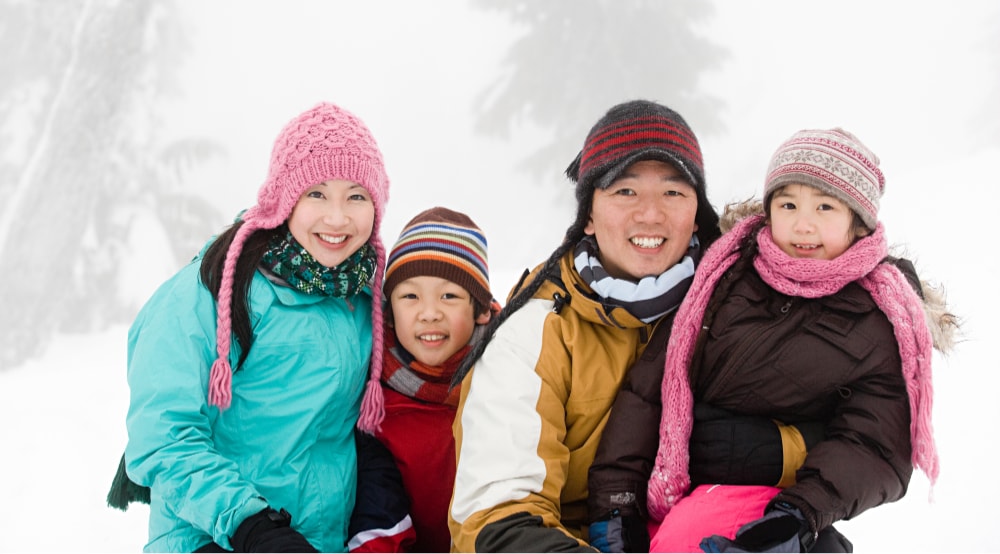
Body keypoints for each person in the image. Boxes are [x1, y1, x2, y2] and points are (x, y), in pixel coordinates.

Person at [589, 127, 957, 552]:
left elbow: (875, 442)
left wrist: (797, 516)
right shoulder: (725, 275)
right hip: (669, 487)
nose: (803, 224)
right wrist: (614, 505)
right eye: (788, 204)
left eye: (825, 206)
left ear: (858, 223)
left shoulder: (877, 317)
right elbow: (647, 392)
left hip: (777, 500)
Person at [444, 99, 724, 552]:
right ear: (588, 215)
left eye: (673, 192)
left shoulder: (731, 308)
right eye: (625, 191)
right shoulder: (537, 328)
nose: (650, 214)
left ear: (697, 211)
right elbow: (496, 516)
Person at [117, 101, 391, 552]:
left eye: (356, 196)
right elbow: (163, 434)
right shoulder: (216, 289)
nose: (338, 218)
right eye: (317, 194)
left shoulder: (363, 297)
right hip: (214, 537)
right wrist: (251, 526)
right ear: (286, 199)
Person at [347, 207, 499, 552]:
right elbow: (376, 516)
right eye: (410, 296)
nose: (429, 313)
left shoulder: (507, 379)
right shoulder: (375, 400)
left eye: (449, 296)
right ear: (389, 309)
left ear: (482, 310)